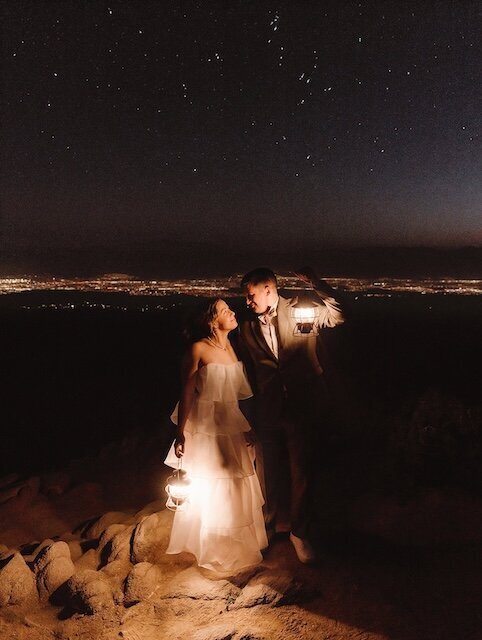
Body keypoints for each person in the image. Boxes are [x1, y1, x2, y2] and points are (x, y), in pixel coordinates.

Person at [238, 267, 345, 563]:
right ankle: (268, 530)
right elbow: (245, 372)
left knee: (302, 472)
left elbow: (340, 313)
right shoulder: (246, 327)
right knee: (267, 473)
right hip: (267, 409)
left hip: (303, 406)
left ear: (269, 289)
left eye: (251, 296)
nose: (247, 302)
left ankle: (300, 533)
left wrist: (316, 282)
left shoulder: (302, 308)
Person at [164, 298, 267, 573]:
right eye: (225, 311)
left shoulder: (234, 348)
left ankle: (235, 545)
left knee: (235, 484)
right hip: (206, 426)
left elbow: (239, 398)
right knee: (212, 485)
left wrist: (249, 427)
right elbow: (186, 392)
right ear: (212, 321)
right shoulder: (198, 349)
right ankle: (212, 547)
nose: (232, 312)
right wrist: (181, 433)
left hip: (231, 423)